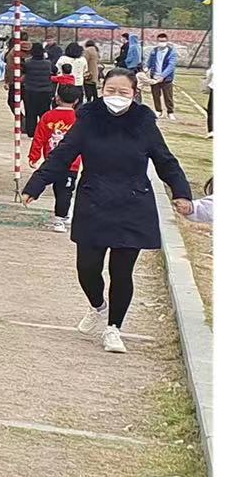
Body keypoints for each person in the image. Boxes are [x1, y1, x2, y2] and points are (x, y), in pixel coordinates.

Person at [24, 68, 193, 355]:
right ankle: (97, 305)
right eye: (110, 90)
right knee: (87, 268)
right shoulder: (88, 120)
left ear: (134, 94)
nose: (116, 96)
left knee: (122, 271)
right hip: (94, 200)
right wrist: (36, 184)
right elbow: (62, 155)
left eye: (123, 92)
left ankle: (114, 328)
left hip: (133, 203)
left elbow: (166, 161)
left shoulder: (143, 124)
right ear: (102, 91)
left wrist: (181, 192)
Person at [28, 82, 84, 233]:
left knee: (58, 189)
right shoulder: (78, 118)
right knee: (65, 190)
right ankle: (60, 219)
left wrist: (34, 156)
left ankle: (62, 214)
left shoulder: (48, 116)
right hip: (72, 163)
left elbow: (39, 137)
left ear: (57, 98)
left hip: (51, 161)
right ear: (76, 101)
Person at [20, 41, 57, 139]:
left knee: (30, 112)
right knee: (44, 113)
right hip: (45, 91)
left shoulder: (27, 63)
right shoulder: (48, 63)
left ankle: (31, 132)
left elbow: (23, 71)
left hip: (30, 90)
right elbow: (55, 70)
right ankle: (44, 131)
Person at [146, 33, 180, 119]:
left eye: (163, 41)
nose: (162, 43)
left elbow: (171, 66)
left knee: (168, 96)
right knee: (156, 95)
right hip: (154, 77)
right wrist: (146, 68)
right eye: (160, 41)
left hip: (166, 78)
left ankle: (170, 112)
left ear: (167, 41)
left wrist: (163, 76)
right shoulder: (154, 51)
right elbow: (150, 62)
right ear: (157, 41)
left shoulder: (172, 52)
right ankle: (158, 111)